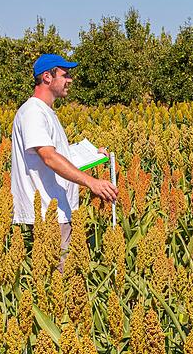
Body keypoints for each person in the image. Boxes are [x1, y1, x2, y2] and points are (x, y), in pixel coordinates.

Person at [11, 53, 117, 255]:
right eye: (65, 75)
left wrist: (92, 154)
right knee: (57, 280)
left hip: (56, 213)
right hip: (46, 216)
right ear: (47, 77)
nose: (70, 80)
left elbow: (58, 154)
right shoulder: (33, 112)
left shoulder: (46, 112)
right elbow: (48, 156)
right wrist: (91, 182)